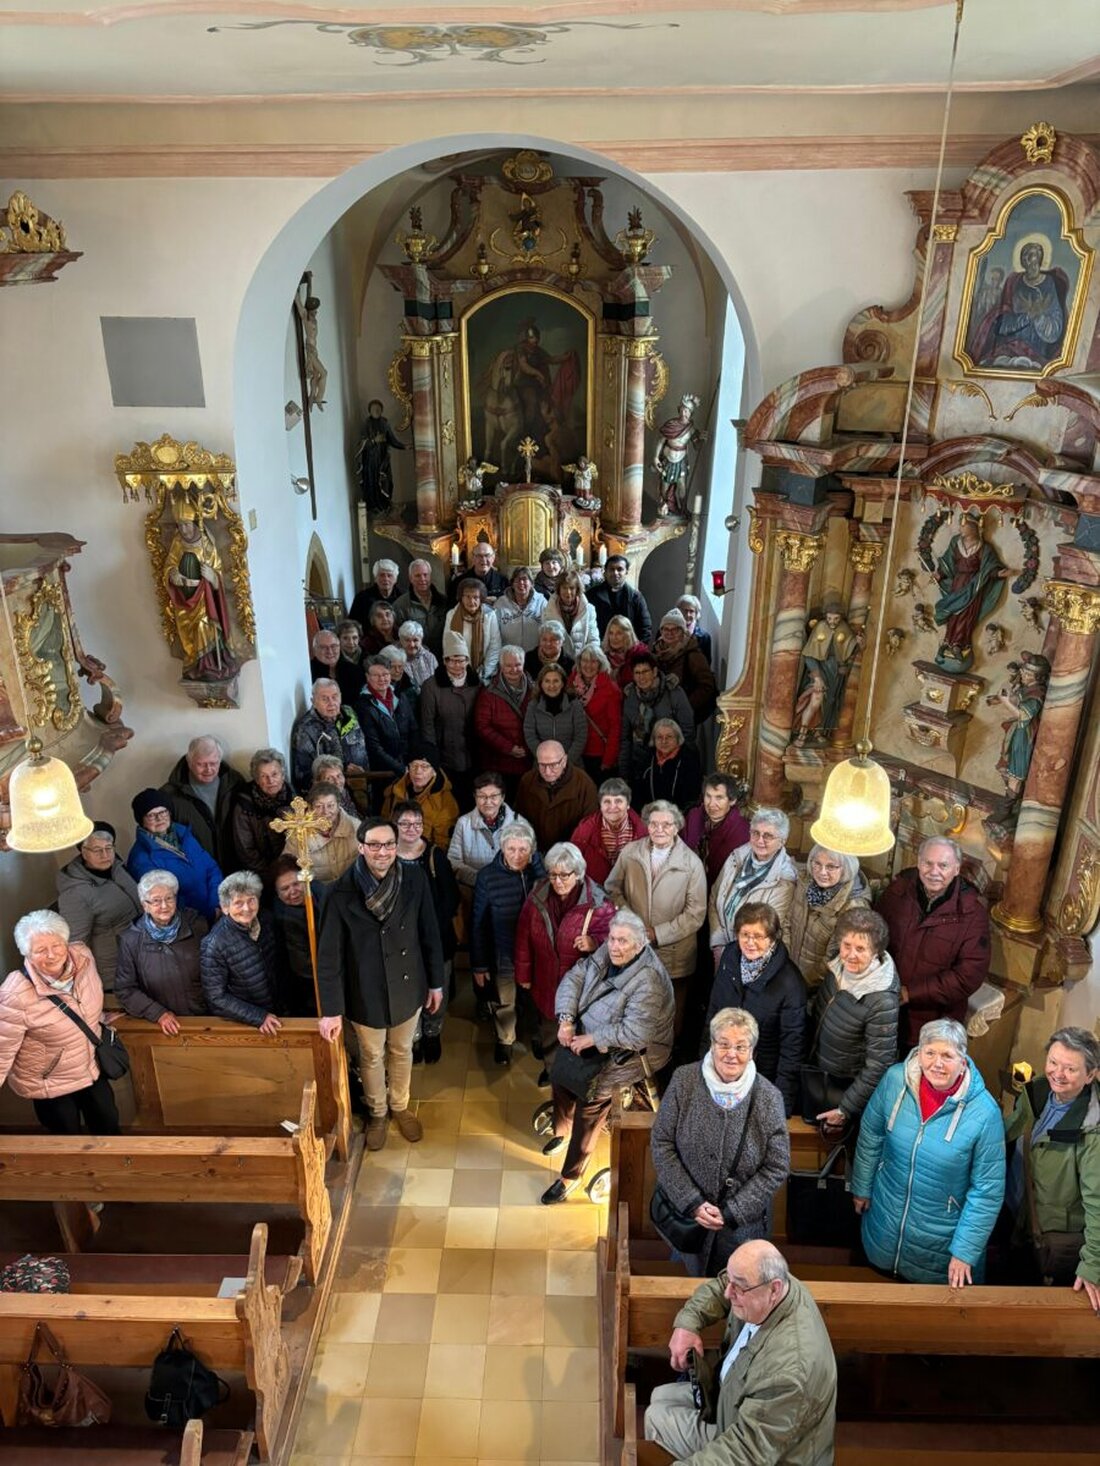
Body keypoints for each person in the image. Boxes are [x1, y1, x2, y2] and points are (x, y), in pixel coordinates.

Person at [643, 1241, 836, 1464]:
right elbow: (723, 1284)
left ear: (774, 1289)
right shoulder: (774, 1285)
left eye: (739, 1287)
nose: (728, 1292)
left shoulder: (788, 1370)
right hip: (733, 1400)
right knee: (659, 1396)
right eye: (731, 1282)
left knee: (655, 1418)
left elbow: (747, 1451)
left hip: (769, 1453)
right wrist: (687, 1323)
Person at [318, 816, 444, 1148]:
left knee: (402, 1050)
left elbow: (429, 932)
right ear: (361, 848)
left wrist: (435, 983)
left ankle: (400, 1106)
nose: (383, 851)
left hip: (407, 984)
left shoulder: (414, 879)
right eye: (374, 844)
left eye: (389, 844)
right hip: (365, 991)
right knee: (371, 1056)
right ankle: (377, 1112)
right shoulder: (340, 891)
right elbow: (329, 957)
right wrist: (331, 1010)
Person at [852, 1018, 1005, 1285]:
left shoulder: (985, 1113)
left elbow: (987, 1191)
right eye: (930, 1052)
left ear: (963, 1061)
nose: (937, 1063)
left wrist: (965, 1251)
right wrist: (862, 1185)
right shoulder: (895, 1080)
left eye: (948, 1055)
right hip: (884, 1219)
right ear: (919, 1053)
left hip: (940, 1245)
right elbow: (871, 1134)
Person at [543, 910, 674, 1203]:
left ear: (640, 946)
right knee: (560, 1073)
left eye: (622, 942)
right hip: (592, 1032)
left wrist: (593, 1038)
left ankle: (571, 1175)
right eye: (612, 939)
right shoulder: (608, 950)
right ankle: (561, 1132)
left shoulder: (648, 981)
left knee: (592, 1099)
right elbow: (576, 976)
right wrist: (565, 1019)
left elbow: (637, 1033)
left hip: (635, 1053)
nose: (614, 946)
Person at [652, 1008, 790, 1275]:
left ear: (752, 1051)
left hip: (741, 1229)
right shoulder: (684, 1080)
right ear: (712, 1045)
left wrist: (732, 1211)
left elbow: (777, 1166)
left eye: (740, 1046)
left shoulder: (769, 1098)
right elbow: (662, 1142)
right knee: (683, 1281)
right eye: (723, 1044)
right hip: (687, 1221)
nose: (731, 1054)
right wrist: (692, 1202)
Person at [1003, 1026, 1100, 1309]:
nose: (1058, 1073)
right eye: (1053, 1062)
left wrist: (1092, 1265)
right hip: (1017, 1212)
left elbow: (1097, 1204)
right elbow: (1012, 1130)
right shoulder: (1038, 1091)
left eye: (1071, 1068)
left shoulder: (1091, 1132)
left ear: (1091, 1075)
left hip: (1047, 1233)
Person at [0, 911, 121, 1134]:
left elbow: (83, 999)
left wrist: (98, 1017)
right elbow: (2, 1049)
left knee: (109, 1127)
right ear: (26, 954)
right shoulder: (15, 993)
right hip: (49, 1082)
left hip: (89, 1067)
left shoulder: (83, 957)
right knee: (67, 1143)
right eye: (40, 950)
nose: (51, 955)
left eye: (56, 945)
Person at [876, 836, 991, 1048]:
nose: (934, 872)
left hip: (932, 1022)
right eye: (928, 863)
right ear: (919, 863)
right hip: (884, 1009)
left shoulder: (973, 914)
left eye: (943, 865)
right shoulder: (897, 891)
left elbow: (968, 976)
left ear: (956, 869)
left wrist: (911, 993)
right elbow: (875, 936)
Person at [605, 801, 707, 1039]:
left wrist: (656, 933)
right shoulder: (631, 852)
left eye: (666, 824)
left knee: (670, 1011)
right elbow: (612, 888)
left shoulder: (692, 863)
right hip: (634, 948)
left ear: (676, 828)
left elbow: (695, 914)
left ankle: (665, 1062)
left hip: (674, 954)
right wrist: (632, 923)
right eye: (654, 823)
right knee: (634, 1006)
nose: (659, 829)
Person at [514, 841, 614, 1076]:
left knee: (577, 1032)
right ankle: (551, 1070)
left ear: (578, 873)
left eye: (564, 875)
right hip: (545, 980)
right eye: (553, 874)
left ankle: (572, 1074)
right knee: (549, 1028)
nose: (558, 881)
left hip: (580, 988)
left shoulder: (598, 903)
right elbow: (523, 938)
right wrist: (524, 975)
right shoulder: (537, 895)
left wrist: (594, 942)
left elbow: (615, 941)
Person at [705, 901, 806, 1117]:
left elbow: (792, 1050)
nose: (750, 943)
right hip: (721, 1070)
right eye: (744, 935)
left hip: (761, 1079)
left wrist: (779, 1105)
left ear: (772, 938)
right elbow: (713, 1013)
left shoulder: (790, 982)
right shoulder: (730, 957)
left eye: (759, 936)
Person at [805, 909, 900, 1134]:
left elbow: (878, 1065)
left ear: (876, 951)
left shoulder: (882, 1000)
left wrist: (845, 1108)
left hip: (844, 1088)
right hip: (819, 1073)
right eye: (846, 945)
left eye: (860, 949)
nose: (850, 955)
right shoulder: (837, 967)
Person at [471, 819, 545, 1064]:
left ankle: (538, 1037)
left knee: (537, 998)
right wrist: (479, 965)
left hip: (537, 952)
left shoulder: (543, 871)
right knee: (505, 999)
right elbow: (478, 924)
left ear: (532, 850)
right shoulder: (487, 877)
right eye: (511, 849)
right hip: (504, 950)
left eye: (523, 850)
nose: (517, 855)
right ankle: (505, 1039)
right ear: (502, 849)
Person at [394, 801, 459, 1064]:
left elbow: (451, 898)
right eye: (406, 824)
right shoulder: (388, 856)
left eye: (417, 824)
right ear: (395, 826)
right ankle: (415, 1036)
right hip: (400, 941)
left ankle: (432, 1032)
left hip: (436, 939)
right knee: (409, 993)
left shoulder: (435, 856)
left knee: (437, 989)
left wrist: (429, 928)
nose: (412, 829)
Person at [115, 870, 209, 1032]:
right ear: (145, 905)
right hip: (161, 1025)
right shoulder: (131, 940)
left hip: (204, 1018)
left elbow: (216, 971)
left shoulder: (198, 925)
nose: (164, 906)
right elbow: (125, 989)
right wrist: (158, 1013)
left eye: (169, 898)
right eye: (156, 901)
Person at [56, 820, 141, 992]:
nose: (105, 854)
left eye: (109, 848)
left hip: (138, 957)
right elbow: (77, 945)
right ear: (83, 852)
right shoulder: (75, 893)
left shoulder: (116, 868)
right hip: (114, 970)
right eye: (97, 850)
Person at [200, 871, 283, 1033]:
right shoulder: (214, 943)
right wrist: (258, 1017)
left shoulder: (267, 921)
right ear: (225, 908)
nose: (246, 908)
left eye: (251, 900)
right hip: (250, 1023)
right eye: (238, 903)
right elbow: (216, 998)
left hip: (278, 1012)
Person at [709, 808, 799, 959]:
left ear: (782, 841)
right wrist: (718, 943)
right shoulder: (736, 858)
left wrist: (733, 955)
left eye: (768, 836)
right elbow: (714, 896)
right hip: (721, 948)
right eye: (755, 833)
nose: (760, 840)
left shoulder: (784, 879)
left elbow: (767, 929)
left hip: (750, 956)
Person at [127, 788, 223, 923]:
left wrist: (216, 904)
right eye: (151, 815)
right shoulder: (141, 858)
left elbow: (212, 869)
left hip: (216, 912)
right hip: (188, 924)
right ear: (141, 820)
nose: (159, 818)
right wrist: (201, 918)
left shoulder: (185, 835)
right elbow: (162, 901)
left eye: (163, 812)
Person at [930, 511, 1010, 672]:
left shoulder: (984, 548)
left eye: (965, 526)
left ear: (974, 528)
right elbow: (947, 562)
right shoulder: (955, 542)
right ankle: (948, 642)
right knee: (954, 614)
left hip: (974, 586)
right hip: (958, 583)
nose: (961, 529)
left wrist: (998, 573)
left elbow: (990, 567)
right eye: (961, 525)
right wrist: (940, 574)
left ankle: (959, 645)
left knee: (967, 616)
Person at [785, 845, 871, 991]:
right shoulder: (805, 883)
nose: (822, 872)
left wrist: (800, 984)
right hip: (788, 974)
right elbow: (787, 922)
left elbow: (834, 960)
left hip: (815, 988)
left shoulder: (854, 909)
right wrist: (784, 963)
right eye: (817, 863)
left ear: (845, 869)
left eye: (831, 867)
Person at [161, 734, 245, 869]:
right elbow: (167, 842)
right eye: (201, 764)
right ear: (189, 762)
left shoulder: (234, 782)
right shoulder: (170, 794)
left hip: (234, 867)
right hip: (197, 870)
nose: (208, 769)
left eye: (214, 763)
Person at [420, 634, 481, 808]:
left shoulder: (476, 683)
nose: (458, 665)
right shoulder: (431, 686)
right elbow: (428, 725)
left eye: (462, 660)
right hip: (445, 754)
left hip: (472, 754)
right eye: (453, 660)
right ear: (445, 661)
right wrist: (433, 758)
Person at [620, 654, 695, 788]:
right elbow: (626, 737)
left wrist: (683, 764)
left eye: (645, 672)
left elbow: (687, 730)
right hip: (640, 764)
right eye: (637, 673)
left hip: (671, 764)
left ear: (654, 672)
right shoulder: (630, 696)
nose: (641, 677)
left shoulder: (674, 692)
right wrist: (624, 772)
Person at [794, 596, 862, 742]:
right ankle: (802, 732)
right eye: (830, 618)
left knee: (828, 703)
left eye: (836, 619)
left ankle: (818, 731)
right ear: (826, 617)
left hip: (835, 673)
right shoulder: (820, 627)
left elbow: (850, 651)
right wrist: (817, 678)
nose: (833, 622)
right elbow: (809, 655)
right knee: (816, 700)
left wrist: (858, 645)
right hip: (817, 670)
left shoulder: (843, 628)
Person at [515, 739, 598, 851]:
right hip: (535, 851)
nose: (548, 772)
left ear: (564, 761)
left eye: (553, 765)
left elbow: (590, 826)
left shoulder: (584, 784)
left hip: (570, 853)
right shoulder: (527, 781)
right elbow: (520, 819)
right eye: (542, 765)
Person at [290, 679, 368, 795]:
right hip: (332, 794)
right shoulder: (305, 730)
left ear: (340, 697)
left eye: (335, 697)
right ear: (313, 701)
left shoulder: (349, 713)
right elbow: (303, 775)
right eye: (325, 699)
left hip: (363, 784)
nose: (331, 702)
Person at [473, 645, 534, 792]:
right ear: (501, 666)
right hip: (498, 763)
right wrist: (509, 748)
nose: (514, 670)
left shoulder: (535, 689)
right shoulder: (488, 692)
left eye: (518, 665)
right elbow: (482, 726)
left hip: (528, 761)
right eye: (508, 666)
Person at [271, 856, 326, 1017]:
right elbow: (303, 966)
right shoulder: (285, 917)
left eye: (296, 884)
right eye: (285, 888)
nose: (292, 892)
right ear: (277, 892)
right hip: (309, 985)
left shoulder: (319, 891)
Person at [570, 777, 647, 886]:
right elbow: (572, 866)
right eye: (607, 801)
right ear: (600, 805)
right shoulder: (584, 830)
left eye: (618, 801)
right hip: (595, 893)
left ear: (628, 804)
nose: (612, 807)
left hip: (631, 890)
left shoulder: (643, 831)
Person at [381, 744, 459, 850]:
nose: (418, 771)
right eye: (414, 766)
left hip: (423, 855)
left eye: (424, 767)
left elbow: (442, 844)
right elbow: (385, 824)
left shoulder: (444, 802)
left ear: (434, 772)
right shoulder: (395, 791)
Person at [447, 772, 514, 890]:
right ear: (475, 796)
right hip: (474, 891)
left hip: (509, 891)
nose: (488, 802)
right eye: (482, 796)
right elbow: (453, 861)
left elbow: (527, 863)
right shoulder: (463, 823)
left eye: (494, 796)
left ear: (502, 797)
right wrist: (481, 879)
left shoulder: (519, 824)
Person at [682, 774, 751, 888]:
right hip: (688, 884)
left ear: (732, 801)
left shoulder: (741, 830)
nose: (711, 804)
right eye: (708, 796)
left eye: (719, 798)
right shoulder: (694, 816)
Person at [230, 748, 290, 877]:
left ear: (283, 775)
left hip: (292, 869)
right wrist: (273, 874)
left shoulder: (294, 798)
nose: (270, 781)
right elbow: (246, 852)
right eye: (264, 776)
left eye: (275, 774)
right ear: (257, 780)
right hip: (262, 874)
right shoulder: (244, 805)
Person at [357, 656, 416, 784]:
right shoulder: (363, 706)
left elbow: (413, 730)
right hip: (383, 773)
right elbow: (374, 748)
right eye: (376, 675)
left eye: (385, 674)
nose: (382, 679)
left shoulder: (401, 697)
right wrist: (400, 768)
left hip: (408, 765)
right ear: (367, 677)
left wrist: (413, 762)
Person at [652, 607, 717, 723]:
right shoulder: (656, 650)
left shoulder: (692, 654)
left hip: (683, 716)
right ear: (661, 631)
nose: (669, 633)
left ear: (683, 632)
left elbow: (707, 686)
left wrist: (685, 706)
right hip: (661, 714)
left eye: (675, 629)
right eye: (665, 629)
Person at [568, 644, 623, 783]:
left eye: (593, 661)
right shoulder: (571, 683)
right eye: (585, 660)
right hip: (574, 750)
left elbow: (615, 727)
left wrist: (608, 760)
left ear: (600, 663)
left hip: (598, 754)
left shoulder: (610, 689)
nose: (588, 665)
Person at [631, 717, 702, 811]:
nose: (664, 741)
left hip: (680, 816)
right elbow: (638, 794)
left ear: (678, 739)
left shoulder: (688, 761)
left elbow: (692, 798)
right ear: (654, 740)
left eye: (669, 737)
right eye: (659, 737)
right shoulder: (646, 760)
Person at [524, 662, 588, 766]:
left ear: (563, 683)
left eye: (556, 681)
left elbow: (580, 736)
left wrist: (565, 762)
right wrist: (546, 759)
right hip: (543, 764)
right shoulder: (533, 705)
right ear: (541, 683)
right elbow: (530, 735)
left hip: (571, 764)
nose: (551, 685)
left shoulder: (574, 704)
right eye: (547, 681)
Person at [653, 392, 705, 518]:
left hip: (681, 460)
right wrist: (655, 457)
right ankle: (665, 505)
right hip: (669, 459)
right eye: (683, 410)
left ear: (691, 413)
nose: (684, 413)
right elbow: (661, 441)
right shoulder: (671, 425)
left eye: (687, 411)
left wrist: (701, 438)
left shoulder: (691, 429)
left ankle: (683, 508)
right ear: (679, 410)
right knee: (665, 484)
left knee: (682, 485)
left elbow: (697, 447)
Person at [446, 577, 501, 681]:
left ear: (481, 598)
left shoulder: (489, 615)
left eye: (476, 597)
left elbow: (495, 646)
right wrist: (460, 671)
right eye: (467, 596)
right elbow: (448, 645)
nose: (471, 601)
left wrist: (484, 672)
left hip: (484, 673)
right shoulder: (451, 615)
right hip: (458, 672)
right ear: (461, 597)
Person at [304, 783, 361, 883]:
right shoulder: (299, 833)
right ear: (310, 808)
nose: (325, 812)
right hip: (317, 891)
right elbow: (291, 869)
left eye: (330, 806)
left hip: (351, 886)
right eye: (319, 806)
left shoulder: (356, 827)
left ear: (338, 805)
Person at [590, 554, 652, 643]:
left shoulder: (636, 597)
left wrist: (636, 652)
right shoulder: (592, 595)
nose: (615, 573)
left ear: (626, 572)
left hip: (629, 651)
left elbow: (645, 628)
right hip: (601, 650)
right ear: (605, 572)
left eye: (620, 569)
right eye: (611, 569)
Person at [393, 559, 448, 659]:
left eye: (425, 574)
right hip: (415, 660)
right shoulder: (400, 605)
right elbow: (398, 636)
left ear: (430, 576)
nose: (422, 579)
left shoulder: (444, 601)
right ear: (410, 578)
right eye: (417, 576)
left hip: (442, 657)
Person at [356, 404, 406, 511]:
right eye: (374, 409)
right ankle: (375, 507)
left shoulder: (384, 423)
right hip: (371, 460)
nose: (377, 411)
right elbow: (361, 444)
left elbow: (392, 439)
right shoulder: (366, 424)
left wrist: (404, 446)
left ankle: (386, 505)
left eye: (379, 409)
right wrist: (374, 441)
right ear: (369, 410)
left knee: (387, 481)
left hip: (383, 459)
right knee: (373, 482)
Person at [544, 569, 598, 659]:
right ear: (559, 589)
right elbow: (546, 640)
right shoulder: (549, 610)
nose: (568, 592)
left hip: (583, 661)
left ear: (577, 590)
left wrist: (590, 659)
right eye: (564, 588)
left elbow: (593, 638)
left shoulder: (589, 609)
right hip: (558, 660)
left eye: (572, 588)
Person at [495, 565, 547, 653]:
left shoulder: (541, 602)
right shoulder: (500, 603)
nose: (521, 583)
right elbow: (495, 634)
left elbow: (547, 628)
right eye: (517, 580)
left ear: (531, 583)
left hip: (535, 655)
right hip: (508, 656)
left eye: (525, 579)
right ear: (512, 583)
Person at [349, 557, 402, 627]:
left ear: (395, 579)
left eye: (389, 575)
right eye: (382, 575)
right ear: (375, 578)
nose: (386, 579)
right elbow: (353, 625)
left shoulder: (402, 598)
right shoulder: (362, 598)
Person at [603, 614, 648, 690]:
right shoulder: (602, 656)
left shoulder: (640, 655)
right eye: (611, 633)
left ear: (628, 635)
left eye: (619, 633)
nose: (614, 638)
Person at [397, 618, 439, 688]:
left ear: (421, 640)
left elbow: (437, 684)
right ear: (401, 640)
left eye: (415, 640)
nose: (412, 645)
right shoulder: (394, 658)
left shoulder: (430, 657)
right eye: (407, 640)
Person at [333, 618, 365, 705]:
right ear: (338, 639)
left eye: (354, 638)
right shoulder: (334, 660)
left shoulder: (367, 657)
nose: (351, 642)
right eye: (345, 638)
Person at [677, 593, 712, 665]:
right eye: (685, 610)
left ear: (696, 614)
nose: (688, 614)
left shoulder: (704, 637)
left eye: (691, 611)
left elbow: (706, 663)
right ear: (678, 611)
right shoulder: (665, 631)